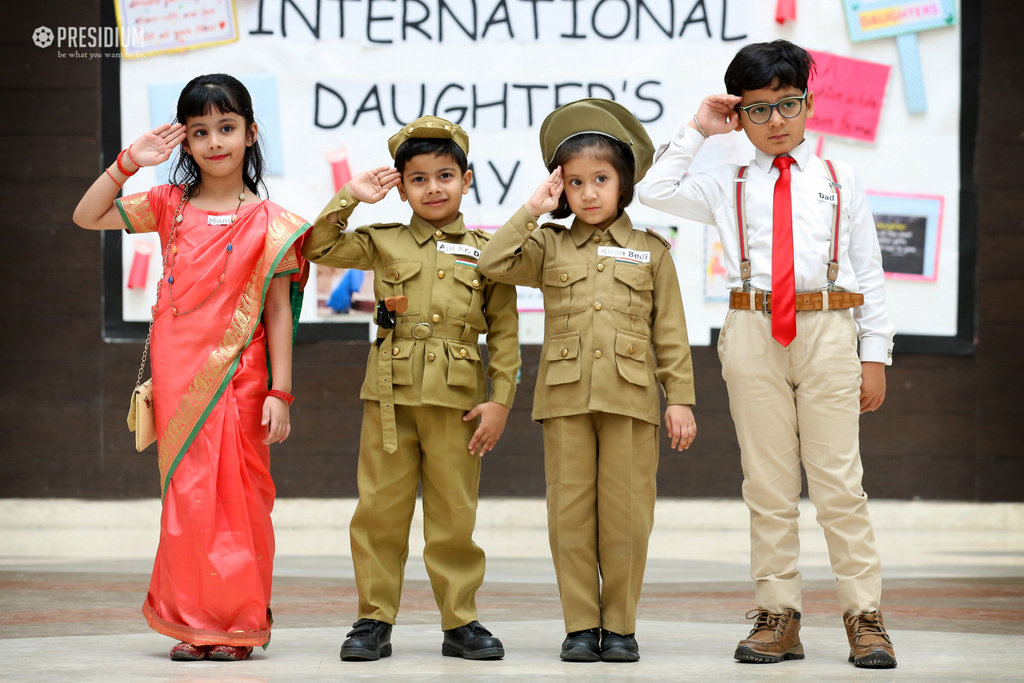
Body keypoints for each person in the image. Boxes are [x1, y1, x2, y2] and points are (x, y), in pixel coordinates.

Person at [637, 40, 898, 669]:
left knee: (841, 483)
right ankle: (778, 615)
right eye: (758, 110)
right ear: (739, 115)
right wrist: (699, 128)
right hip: (753, 333)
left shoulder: (840, 179)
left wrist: (876, 352)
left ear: (808, 104)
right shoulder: (726, 183)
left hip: (830, 330)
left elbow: (870, 270)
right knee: (768, 484)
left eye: (787, 104)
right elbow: (652, 189)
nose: (776, 121)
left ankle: (866, 618)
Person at [72, 74, 310, 661]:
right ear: (185, 141)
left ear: (251, 134)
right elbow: (86, 215)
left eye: (226, 128)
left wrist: (282, 389)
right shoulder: (167, 205)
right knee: (189, 500)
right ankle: (191, 623)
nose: (214, 142)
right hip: (181, 376)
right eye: (199, 131)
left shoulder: (273, 222)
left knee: (241, 501)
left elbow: (278, 310)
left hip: (243, 376)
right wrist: (130, 161)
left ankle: (238, 624)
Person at [477, 99, 697, 663]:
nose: (590, 192)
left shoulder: (651, 252)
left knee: (626, 516)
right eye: (576, 183)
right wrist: (532, 209)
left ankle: (619, 625)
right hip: (566, 399)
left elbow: (670, 334)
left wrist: (682, 401)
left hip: (631, 401)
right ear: (562, 189)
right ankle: (580, 625)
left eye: (601, 179)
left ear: (623, 183)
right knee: (570, 516)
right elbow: (493, 263)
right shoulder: (547, 245)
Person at [302, 116, 520, 662]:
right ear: (400, 186)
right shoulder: (381, 242)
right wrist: (348, 198)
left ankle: (460, 620)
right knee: (379, 511)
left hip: (459, 401)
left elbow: (507, 331)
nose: (433, 187)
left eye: (445, 175)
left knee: (454, 514)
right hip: (390, 396)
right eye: (418, 178)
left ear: (467, 180)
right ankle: (373, 619)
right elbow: (318, 248)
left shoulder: (487, 250)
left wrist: (501, 400)